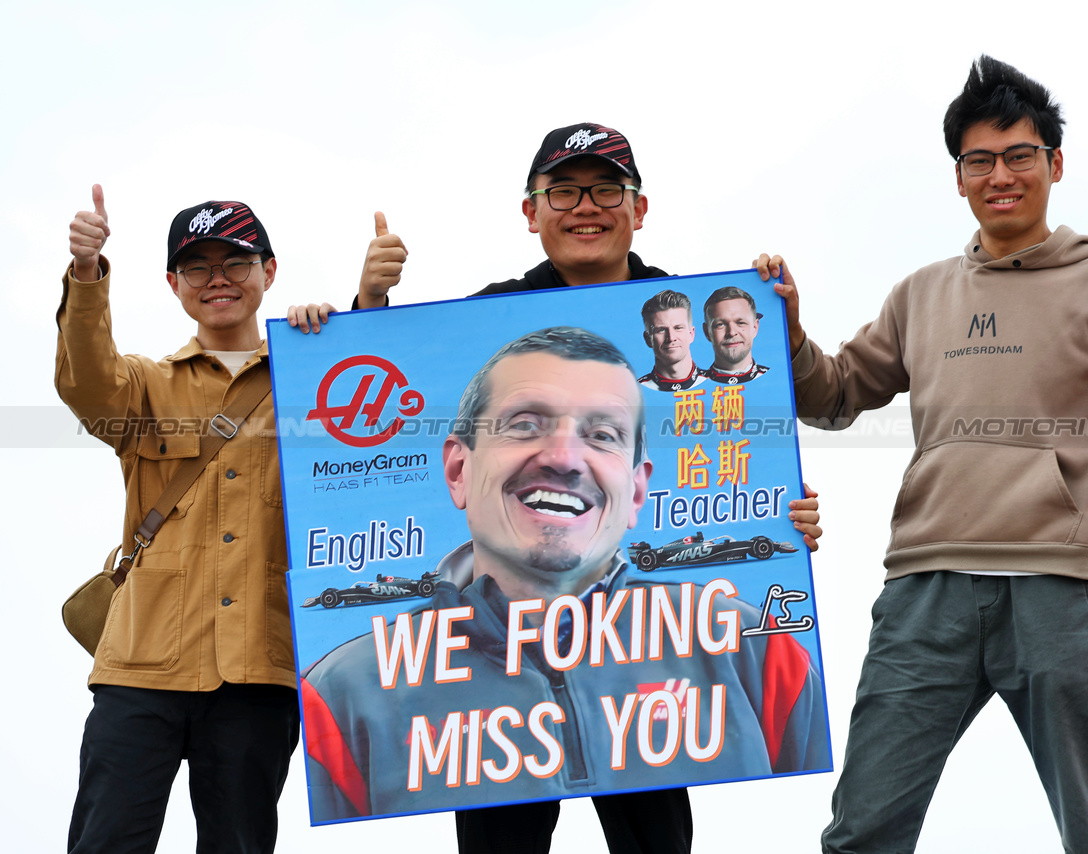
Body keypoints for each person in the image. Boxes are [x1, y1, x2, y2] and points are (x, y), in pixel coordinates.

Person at [760, 56, 1088, 853]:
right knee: (861, 833)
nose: (1002, 175)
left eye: (1020, 155)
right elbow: (837, 395)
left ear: (1054, 164)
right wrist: (783, 332)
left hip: (1053, 591)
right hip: (924, 592)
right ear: (958, 177)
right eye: (980, 160)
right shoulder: (920, 293)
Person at [290, 123, 823, 854]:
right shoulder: (487, 313)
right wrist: (359, 311)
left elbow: (742, 452)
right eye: (563, 190)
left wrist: (784, 510)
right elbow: (383, 380)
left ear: (639, 209)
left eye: (607, 189)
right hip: (479, 685)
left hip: (646, 663)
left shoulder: (693, 317)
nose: (586, 207)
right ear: (530, 211)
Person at [300, 327, 828, 825]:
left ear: (638, 492)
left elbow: (802, 823)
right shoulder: (343, 695)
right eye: (525, 424)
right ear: (460, 471)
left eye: (602, 434)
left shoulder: (756, 648)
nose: (564, 458)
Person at [58, 187, 332, 853]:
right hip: (140, 667)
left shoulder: (311, 378)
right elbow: (86, 384)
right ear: (174, 284)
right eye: (200, 266)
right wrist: (87, 275)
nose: (219, 280)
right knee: (106, 841)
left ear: (269, 272)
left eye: (236, 262)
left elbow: (378, 436)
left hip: (258, 671)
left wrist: (352, 324)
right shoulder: (146, 386)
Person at [637, 289, 706, 391]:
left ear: (691, 334)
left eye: (678, 328)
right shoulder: (635, 392)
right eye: (661, 330)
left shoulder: (717, 383)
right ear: (648, 339)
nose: (671, 338)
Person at [702, 286, 769, 384]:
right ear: (707, 332)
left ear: (755, 328)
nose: (732, 332)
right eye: (720, 324)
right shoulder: (691, 388)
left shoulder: (779, 380)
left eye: (740, 322)